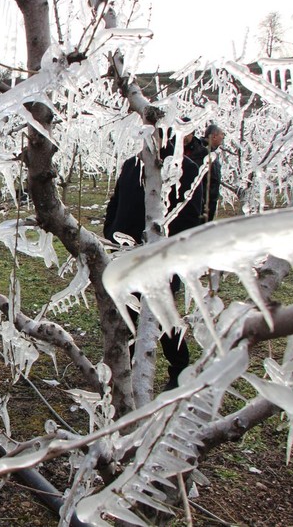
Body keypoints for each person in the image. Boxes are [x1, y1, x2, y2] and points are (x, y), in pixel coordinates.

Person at [104, 127, 206, 390]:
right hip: (126, 257)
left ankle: (180, 369)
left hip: (161, 259)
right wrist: (112, 232)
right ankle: (123, 370)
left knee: (163, 314)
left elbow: (190, 216)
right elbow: (115, 202)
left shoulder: (184, 168)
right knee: (124, 313)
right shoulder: (131, 164)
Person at [201, 123, 225, 223]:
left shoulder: (212, 152)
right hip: (202, 204)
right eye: (222, 134)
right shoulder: (202, 151)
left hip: (209, 202)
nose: (223, 137)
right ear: (214, 136)